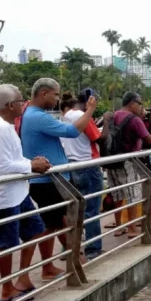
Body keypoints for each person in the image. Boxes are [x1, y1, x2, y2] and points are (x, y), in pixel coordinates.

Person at [0, 84, 53, 301]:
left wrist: (31, 163)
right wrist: (31, 166)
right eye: (22, 101)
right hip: (4, 195)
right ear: (11, 105)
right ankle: (6, 288)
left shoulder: (0, 122)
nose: (25, 104)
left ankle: (22, 277)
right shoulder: (1, 128)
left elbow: (10, 159)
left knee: (35, 230)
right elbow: (3, 165)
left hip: (18, 192)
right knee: (7, 243)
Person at [21, 78, 98, 267]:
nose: (57, 99)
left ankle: (53, 266)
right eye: (55, 94)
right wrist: (90, 111)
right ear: (43, 94)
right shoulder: (38, 116)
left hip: (50, 180)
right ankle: (76, 261)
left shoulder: (31, 114)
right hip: (50, 182)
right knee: (61, 223)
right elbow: (72, 131)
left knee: (53, 224)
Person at [104, 92, 151, 237]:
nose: (141, 106)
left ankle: (119, 226)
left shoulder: (113, 116)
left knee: (117, 194)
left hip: (111, 159)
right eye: (139, 103)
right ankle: (132, 228)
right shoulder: (134, 119)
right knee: (132, 194)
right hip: (128, 160)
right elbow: (149, 140)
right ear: (132, 103)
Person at [60, 89, 104, 260]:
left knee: (74, 210)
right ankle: (93, 250)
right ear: (90, 100)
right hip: (87, 164)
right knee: (91, 209)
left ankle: (69, 248)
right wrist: (106, 123)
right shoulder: (82, 115)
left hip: (71, 165)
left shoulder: (66, 115)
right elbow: (98, 137)